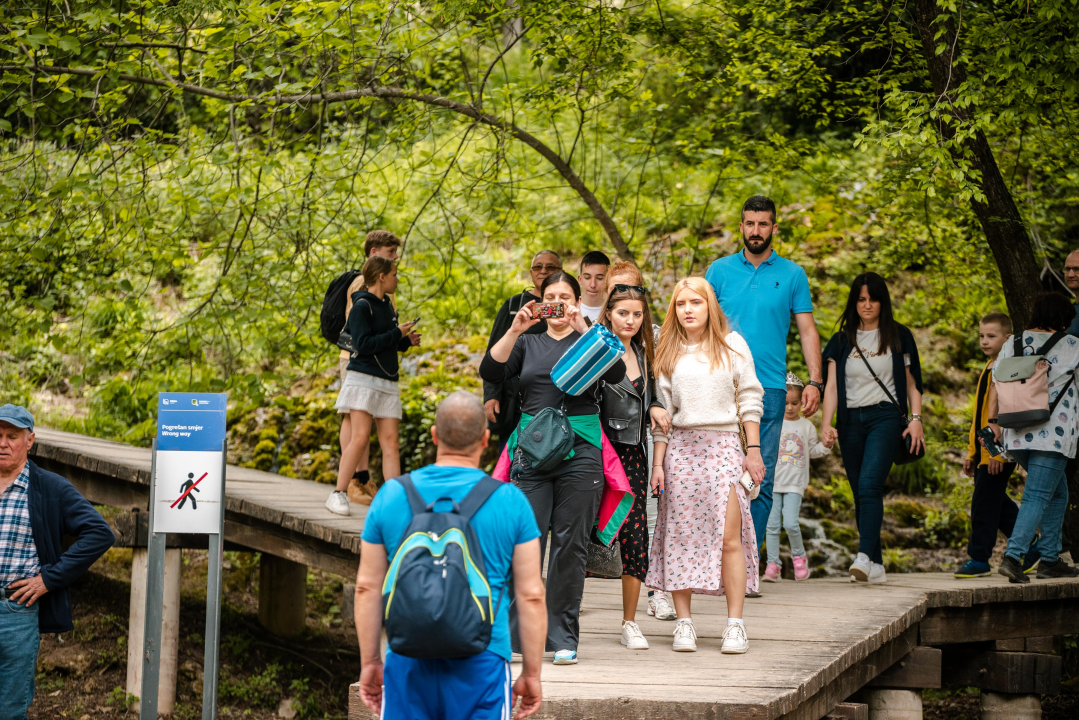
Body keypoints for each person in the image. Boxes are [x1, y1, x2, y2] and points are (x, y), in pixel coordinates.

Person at [353, 392, 547, 720]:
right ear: (486, 439)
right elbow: (530, 595)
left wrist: (371, 662)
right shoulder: (510, 502)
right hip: (483, 658)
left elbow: (366, 588)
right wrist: (532, 673)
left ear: (434, 435)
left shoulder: (390, 495)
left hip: (407, 657)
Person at [480, 271, 626, 665]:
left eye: (565, 297)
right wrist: (513, 330)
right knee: (525, 543)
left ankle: (563, 637)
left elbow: (616, 375)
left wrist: (586, 327)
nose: (557, 303)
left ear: (577, 301)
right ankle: (515, 636)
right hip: (533, 450)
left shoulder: (590, 337)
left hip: (582, 451)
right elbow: (490, 372)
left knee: (570, 546)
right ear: (540, 302)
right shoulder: (527, 342)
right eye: (550, 297)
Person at [646, 277, 766, 655]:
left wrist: (754, 449)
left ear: (710, 305)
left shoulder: (732, 345)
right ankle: (684, 623)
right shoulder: (666, 350)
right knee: (680, 535)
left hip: (724, 446)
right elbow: (662, 415)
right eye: (681, 304)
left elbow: (749, 398)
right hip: (681, 449)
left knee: (730, 537)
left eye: (696, 302)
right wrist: (658, 464)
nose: (688, 310)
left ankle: (735, 625)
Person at [704, 196, 823, 562]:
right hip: (720, 384)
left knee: (761, 479)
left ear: (774, 227)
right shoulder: (719, 271)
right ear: (741, 226)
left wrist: (815, 381)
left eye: (763, 224)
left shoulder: (792, 274)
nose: (756, 230)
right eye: (750, 223)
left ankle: (748, 564)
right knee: (717, 478)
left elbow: (806, 331)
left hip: (770, 387)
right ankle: (715, 560)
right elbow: (697, 324)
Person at [0, 405, 115, 720]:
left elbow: (99, 533)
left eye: (12, 436)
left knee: (9, 710)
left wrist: (48, 579)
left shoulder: (50, 488)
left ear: (30, 440)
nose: (3, 443)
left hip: (15, 610)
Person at [820, 273, 925, 584]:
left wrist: (916, 419)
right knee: (859, 493)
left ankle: (863, 556)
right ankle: (876, 564)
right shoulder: (841, 341)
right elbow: (831, 389)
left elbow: (912, 383)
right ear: (855, 302)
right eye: (861, 299)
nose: (867, 305)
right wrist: (827, 423)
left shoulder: (898, 336)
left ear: (883, 301)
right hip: (850, 421)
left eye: (873, 299)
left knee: (869, 485)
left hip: (885, 418)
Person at [595, 284, 672, 649]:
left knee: (635, 535)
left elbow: (652, 392)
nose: (630, 320)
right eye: (623, 313)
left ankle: (629, 622)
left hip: (633, 455)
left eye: (637, 314)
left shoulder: (644, 353)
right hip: (594, 452)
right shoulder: (595, 350)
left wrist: (655, 405)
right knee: (580, 532)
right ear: (609, 313)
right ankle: (561, 616)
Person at [989, 292, 1079, 583]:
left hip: (1015, 433)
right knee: (1037, 495)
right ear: (1065, 318)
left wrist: (993, 423)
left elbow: (995, 383)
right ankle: (1014, 557)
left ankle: (1050, 559)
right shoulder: (1072, 345)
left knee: (1057, 493)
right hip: (1052, 433)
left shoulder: (1012, 342)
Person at [327, 256, 421, 516]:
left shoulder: (387, 306)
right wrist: (396, 334)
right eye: (394, 274)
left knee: (390, 443)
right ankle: (338, 493)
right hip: (363, 380)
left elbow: (387, 342)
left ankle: (394, 503)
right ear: (382, 276)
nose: (397, 278)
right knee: (359, 438)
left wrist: (405, 340)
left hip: (387, 381)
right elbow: (363, 345)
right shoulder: (361, 306)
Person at [956, 313, 1040, 578]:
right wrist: (972, 453)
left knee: (982, 503)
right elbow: (978, 417)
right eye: (981, 336)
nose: (984, 341)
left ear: (1007, 338)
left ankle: (979, 558)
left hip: (998, 452)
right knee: (996, 502)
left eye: (991, 336)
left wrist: (999, 454)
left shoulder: (1008, 372)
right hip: (984, 451)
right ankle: (1032, 547)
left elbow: (1007, 416)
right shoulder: (989, 367)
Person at [337, 230, 403, 503]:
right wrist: (396, 335)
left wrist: (403, 338)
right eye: (391, 254)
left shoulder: (386, 299)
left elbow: (387, 334)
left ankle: (380, 490)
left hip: (383, 371)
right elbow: (361, 339)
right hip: (359, 367)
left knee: (385, 440)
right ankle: (351, 484)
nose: (395, 259)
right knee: (356, 429)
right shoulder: (361, 291)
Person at [483, 251, 562, 450]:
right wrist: (491, 394)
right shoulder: (514, 305)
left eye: (550, 267)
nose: (543, 271)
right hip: (514, 400)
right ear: (531, 272)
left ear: (560, 272)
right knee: (509, 461)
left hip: (555, 400)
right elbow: (493, 352)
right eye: (538, 266)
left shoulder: (566, 308)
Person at [763, 374, 833, 582]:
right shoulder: (772, 424)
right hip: (773, 483)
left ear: (802, 401)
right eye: (786, 403)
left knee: (791, 523)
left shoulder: (806, 426)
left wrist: (826, 446)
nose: (790, 407)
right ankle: (772, 565)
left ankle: (799, 557)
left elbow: (813, 451)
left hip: (795, 483)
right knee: (772, 525)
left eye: (795, 403)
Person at [577, 250, 611, 323]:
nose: (593, 285)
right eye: (587, 277)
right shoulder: (570, 310)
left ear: (608, 280)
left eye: (599, 278)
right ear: (580, 279)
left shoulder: (614, 311)